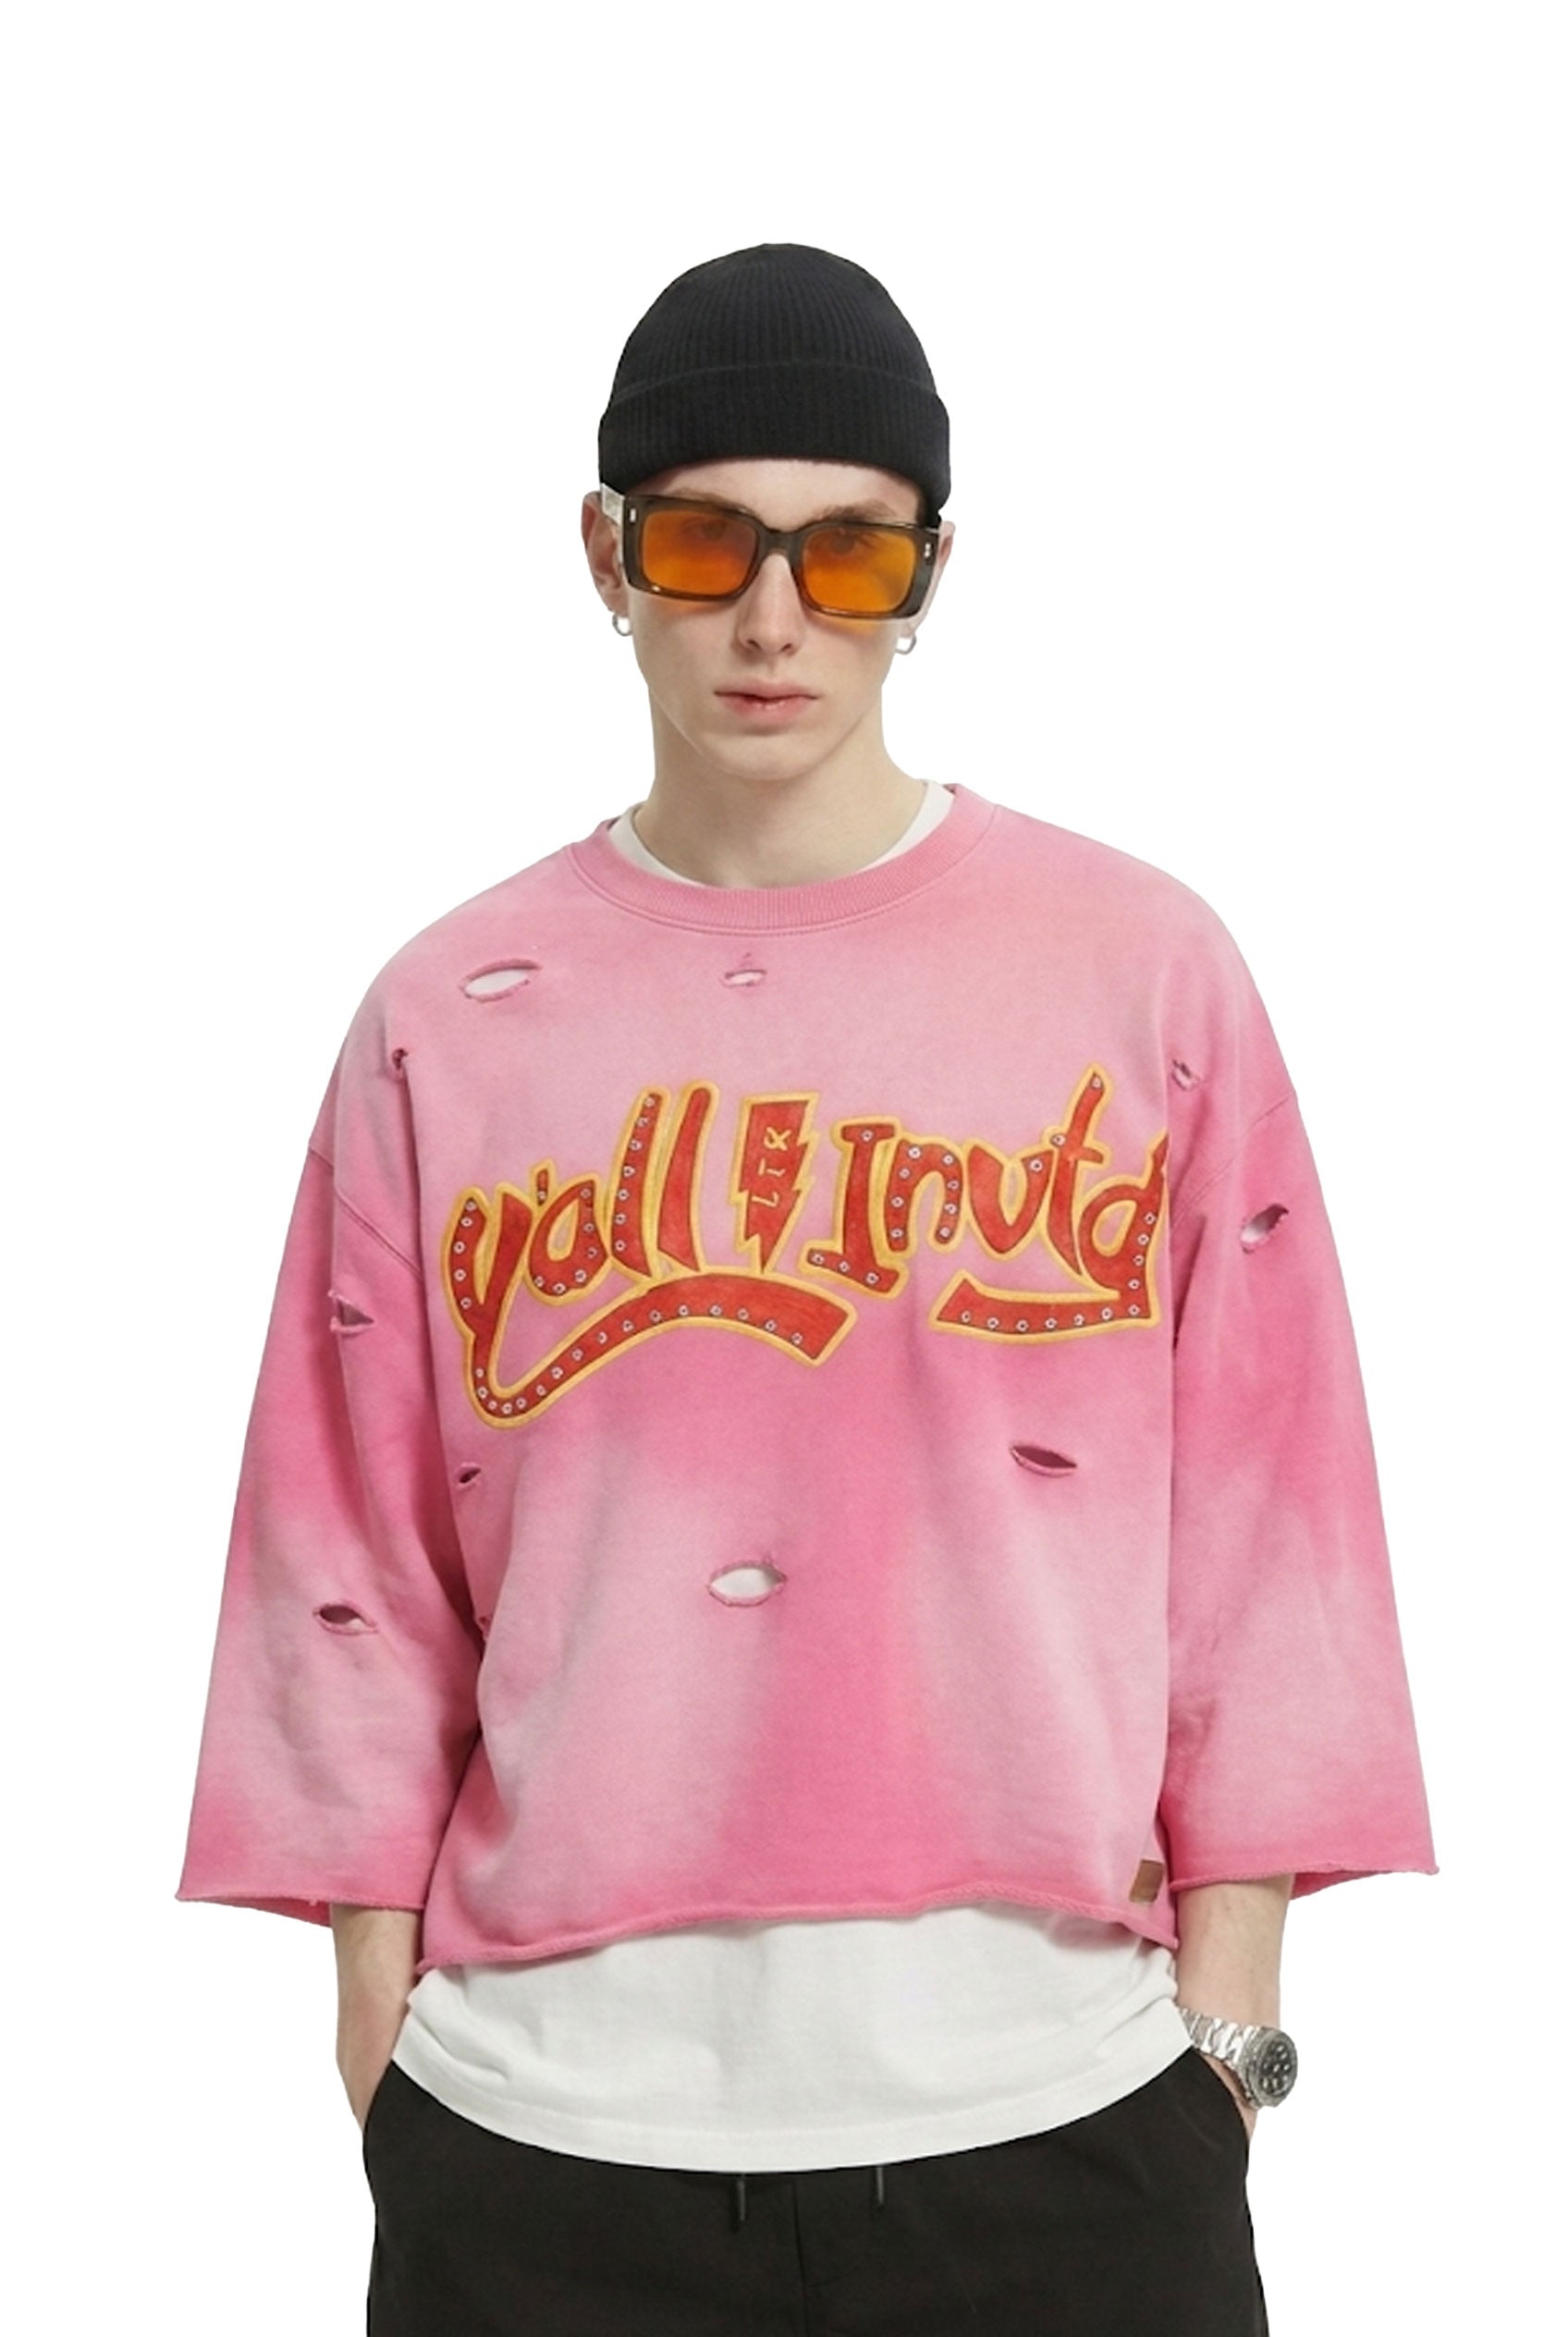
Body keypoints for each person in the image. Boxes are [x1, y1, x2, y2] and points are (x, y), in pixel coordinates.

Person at [176, 242, 1438, 2336]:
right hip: (541, 2139)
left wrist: (1226, 2033)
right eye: (707, 542)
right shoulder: (450, 1011)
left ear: (931, 568)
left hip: (1067, 2116)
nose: (774, 619)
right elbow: (344, 1549)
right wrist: (383, 2039)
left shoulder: (1137, 969)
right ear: (604, 553)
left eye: (847, 553)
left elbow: (1267, 1520)